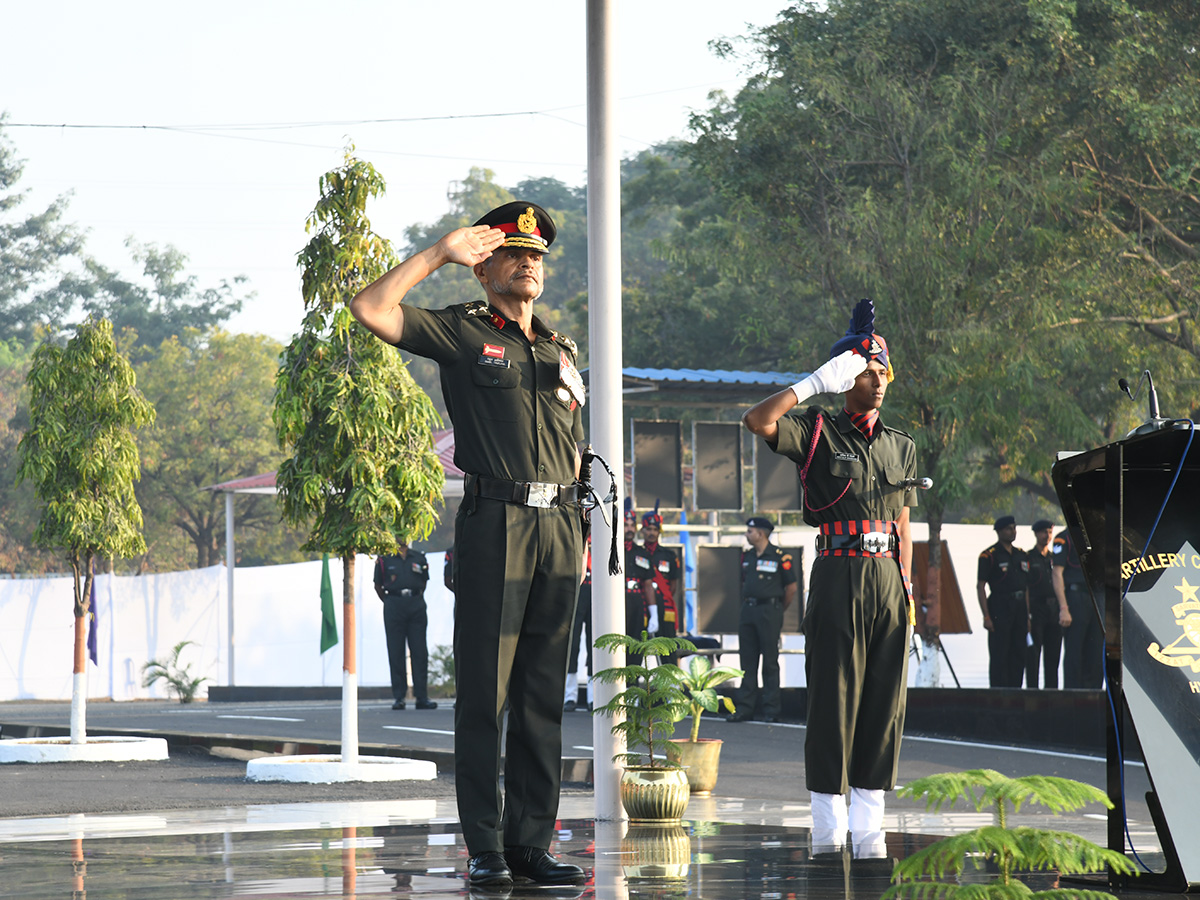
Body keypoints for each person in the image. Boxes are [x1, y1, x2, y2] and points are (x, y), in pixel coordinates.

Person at [350, 201, 586, 890]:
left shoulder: (560, 349)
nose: (529, 264)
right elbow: (370, 309)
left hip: (561, 526)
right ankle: (485, 845)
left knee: (544, 698)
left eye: (537, 256)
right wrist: (435, 252)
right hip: (498, 523)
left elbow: (568, 445)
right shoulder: (463, 330)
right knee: (487, 694)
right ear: (484, 267)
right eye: (515, 253)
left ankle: (531, 846)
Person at [742, 297, 918, 855]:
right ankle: (828, 821)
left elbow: (904, 526)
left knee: (884, 699)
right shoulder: (817, 429)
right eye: (867, 371)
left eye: (883, 370)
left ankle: (870, 819)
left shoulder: (900, 446)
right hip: (839, 574)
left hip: (887, 578)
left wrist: (908, 594)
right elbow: (758, 421)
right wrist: (815, 381)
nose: (878, 380)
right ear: (846, 377)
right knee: (833, 696)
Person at [728, 516, 798, 724]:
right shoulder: (747, 556)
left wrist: (777, 609)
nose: (746, 535)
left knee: (769, 661)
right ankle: (745, 708)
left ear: (760, 533)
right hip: (748, 610)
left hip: (769, 610)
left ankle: (771, 709)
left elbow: (791, 588)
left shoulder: (780, 557)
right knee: (747, 662)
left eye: (750, 531)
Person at [373, 541, 438, 710]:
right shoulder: (384, 559)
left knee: (420, 651)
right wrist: (391, 601)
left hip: (415, 604)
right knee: (396, 651)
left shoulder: (418, 557)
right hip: (394, 604)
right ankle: (399, 696)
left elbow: (424, 582)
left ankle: (421, 697)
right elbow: (378, 586)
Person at [976, 516, 1029, 688]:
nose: (1012, 532)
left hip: (1020, 607)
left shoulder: (1021, 554)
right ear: (999, 532)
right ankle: (998, 694)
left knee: (1019, 651)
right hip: (1000, 605)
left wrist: (1027, 616)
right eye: (1008, 529)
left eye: (1014, 528)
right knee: (1000, 652)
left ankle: (1016, 691)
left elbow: (1025, 587)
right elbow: (981, 586)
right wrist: (986, 616)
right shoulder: (989, 555)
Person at [1053, 526, 1104, 688]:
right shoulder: (1064, 538)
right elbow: (1057, 573)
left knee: (1096, 649)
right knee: (1075, 649)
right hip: (1076, 597)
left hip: (1098, 597)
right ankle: (1073, 692)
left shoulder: (1097, 535)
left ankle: (1094, 692)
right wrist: (1064, 608)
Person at [1024, 519, 1062, 689]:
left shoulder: (1055, 558)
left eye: (1049, 532)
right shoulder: (1028, 557)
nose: (1046, 536)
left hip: (1054, 610)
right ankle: (1033, 692)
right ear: (1036, 534)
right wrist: (1027, 614)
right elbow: (1025, 586)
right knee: (1033, 656)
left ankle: (1052, 694)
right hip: (1036, 608)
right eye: (1043, 532)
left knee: (1053, 657)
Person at [641, 508, 681, 650]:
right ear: (642, 531)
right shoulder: (638, 553)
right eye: (648, 529)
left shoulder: (669, 556)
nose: (651, 533)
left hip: (665, 607)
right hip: (643, 606)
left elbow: (673, 584)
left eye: (655, 529)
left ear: (659, 532)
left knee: (667, 649)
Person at [623, 507, 657, 667]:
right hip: (618, 601)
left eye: (632, 525)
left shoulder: (642, 553)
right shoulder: (611, 549)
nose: (629, 529)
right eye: (625, 525)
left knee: (636, 645)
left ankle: (633, 686)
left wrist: (653, 613)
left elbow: (648, 584)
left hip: (636, 602)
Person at [563, 534, 593, 712]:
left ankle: (593, 697)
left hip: (595, 594)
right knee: (571, 645)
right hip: (577, 592)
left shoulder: (601, 537)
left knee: (594, 647)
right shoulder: (577, 536)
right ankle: (569, 696)